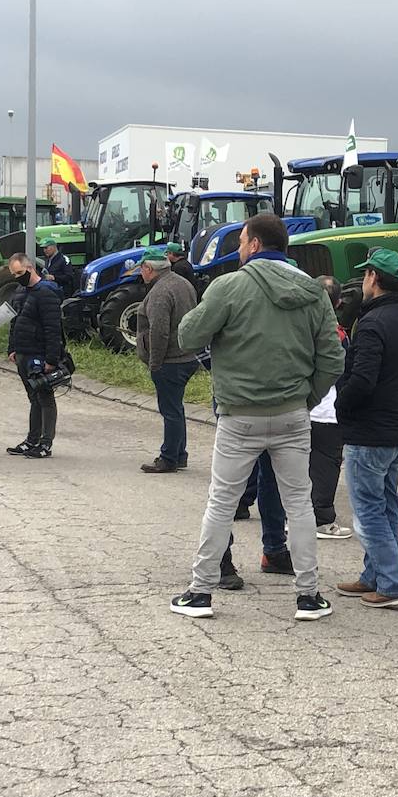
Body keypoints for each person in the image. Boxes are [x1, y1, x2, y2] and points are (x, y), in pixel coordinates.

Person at [170, 213, 344, 621]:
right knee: (298, 504)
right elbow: (333, 358)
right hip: (292, 416)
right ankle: (308, 596)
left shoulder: (229, 286)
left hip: (239, 415)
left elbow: (188, 336)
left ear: (252, 244)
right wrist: (306, 397)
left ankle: (200, 592)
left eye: (242, 241)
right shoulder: (313, 291)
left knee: (221, 502)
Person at [335, 249, 398, 608]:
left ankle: (393, 582)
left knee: (368, 509)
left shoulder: (372, 323)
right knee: (387, 506)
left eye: (365, 276)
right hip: (396, 428)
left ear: (373, 277)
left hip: (368, 431)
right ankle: (374, 574)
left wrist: (340, 402)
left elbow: (362, 379)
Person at [135, 247, 198, 473]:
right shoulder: (183, 284)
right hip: (188, 355)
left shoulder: (160, 292)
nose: (140, 274)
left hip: (170, 359)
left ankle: (169, 457)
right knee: (176, 407)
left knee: (170, 410)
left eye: (141, 269)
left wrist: (155, 362)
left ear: (148, 268)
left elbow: (159, 331)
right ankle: (180, 454)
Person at [5, 253, 65, 459]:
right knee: (33, 398)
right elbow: (14, 321)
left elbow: (52, 328)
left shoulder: (46, 293)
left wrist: (51, 359)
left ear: (30, 268)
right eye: (14, 274)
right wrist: (11, 348)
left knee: (45, 398)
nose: (17, 277)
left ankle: (45, 443)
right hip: (23, 352)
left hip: (39, 354)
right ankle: (32, 439)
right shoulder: (20, 291)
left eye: (20, 272)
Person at [309, 276, 352, 539]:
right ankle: (322, 520)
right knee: (326, 466)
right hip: (327, 411)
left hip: (299, 408)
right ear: (337, 303)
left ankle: (294, 517)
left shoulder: (297, 328)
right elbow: (344, 373)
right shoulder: (338, 334)